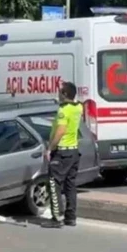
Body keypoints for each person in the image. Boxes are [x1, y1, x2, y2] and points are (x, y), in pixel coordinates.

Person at [43, 81, 82, 228]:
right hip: (73, 151)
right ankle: (71, 218)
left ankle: (57, 218)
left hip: (62, 151)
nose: (58, 94)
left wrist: (50, 149)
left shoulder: (63, 111)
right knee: (71, 185)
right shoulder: (78, 107)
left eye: (60, 92)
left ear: (65, 94)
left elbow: (60, 131)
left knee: (54, 183)